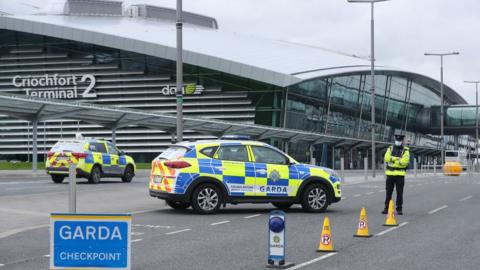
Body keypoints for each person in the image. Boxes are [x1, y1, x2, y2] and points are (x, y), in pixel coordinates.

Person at [383, 134, 410, 215]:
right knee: (388, 192)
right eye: (397, 140)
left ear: (402, 141)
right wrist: (397, 159)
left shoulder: (406, 150)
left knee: (399, 192)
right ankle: (386, 208)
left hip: (400, 175)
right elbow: (386, 158)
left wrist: (392, 161)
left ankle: (399, 208)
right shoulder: (390, 148)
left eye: (399, 140)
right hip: (390, 174)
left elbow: (405, 162)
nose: (398, 142)